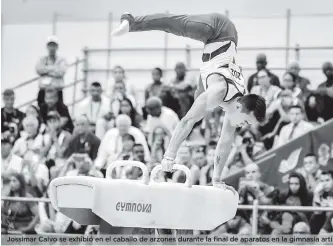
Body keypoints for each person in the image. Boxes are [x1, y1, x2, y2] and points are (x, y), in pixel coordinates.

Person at [112, 12, 267, 190]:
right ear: (239, 106)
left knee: (198, 103)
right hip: (219, 30)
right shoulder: (219, 91)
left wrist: (217, 179)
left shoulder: (235, 110)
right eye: (246, 121)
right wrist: (170, 154)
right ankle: (131, 22)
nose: (244, 126)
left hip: (211, 71)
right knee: (174, 24)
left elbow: (224, 143)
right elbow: (187, 120)